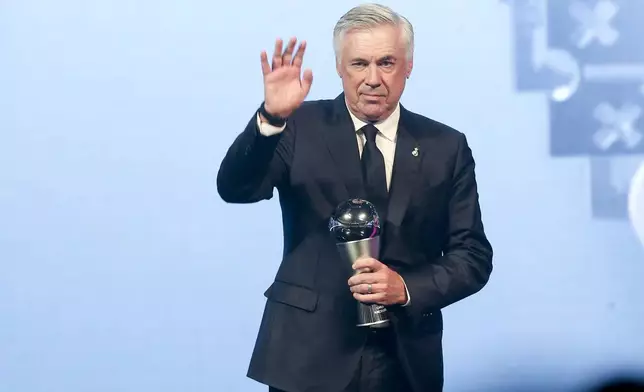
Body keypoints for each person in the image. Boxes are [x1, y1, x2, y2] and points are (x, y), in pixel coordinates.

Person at [217, 3, 493, 392]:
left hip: (405, 361)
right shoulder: (297, 127)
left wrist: (407, 287)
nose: (373, 78)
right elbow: (236, 189)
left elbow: (473, 257)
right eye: (359, 64)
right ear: (339, 68)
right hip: (306, 357)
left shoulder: (445, 146)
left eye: (387, 62)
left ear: (408, 65)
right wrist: (271, 119)